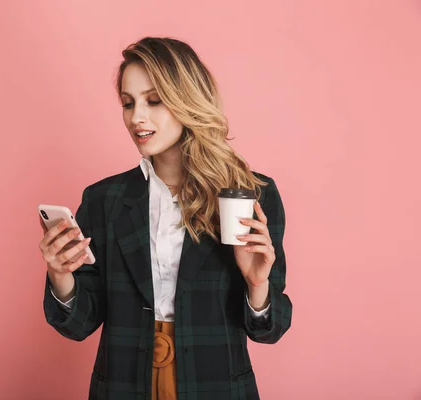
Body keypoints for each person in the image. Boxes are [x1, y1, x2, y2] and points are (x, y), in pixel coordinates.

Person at [39, 36, 292, 400]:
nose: (136, 117)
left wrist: (257, 284)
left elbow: (270, 329)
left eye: (153, 100)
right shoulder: (103, 200)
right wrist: (60, 276)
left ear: (186, 99)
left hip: (217, 386)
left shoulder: (252, 196)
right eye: (128, 103)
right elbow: (79, 325)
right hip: (123, 385)